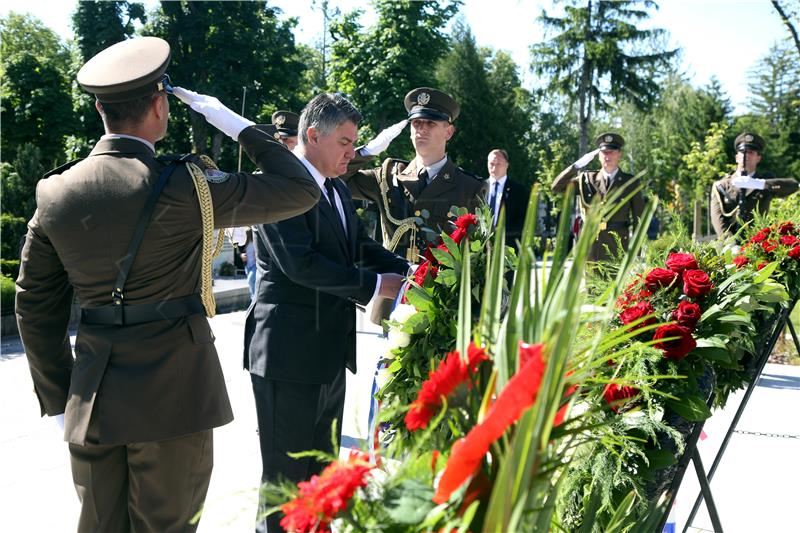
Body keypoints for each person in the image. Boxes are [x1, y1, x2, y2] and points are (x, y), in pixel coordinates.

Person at [15, 37, 319, 533]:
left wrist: (59, 398)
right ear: (160, 105)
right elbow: (301, 188)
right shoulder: (186, 184)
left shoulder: (55, 190)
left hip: (91, 397)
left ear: (99, 108)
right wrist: (236, 124)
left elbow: (34, 305)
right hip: (175, 394)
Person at [241, 93, 411, 533]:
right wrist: (376, 286)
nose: (352, 153)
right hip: (288, 356)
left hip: (328, 354)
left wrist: (408, 269)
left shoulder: (333, 185)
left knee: (319, 479)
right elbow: (300, 264)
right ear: (313, 135)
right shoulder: (277, 184)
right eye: (345, 142)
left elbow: (358, 244)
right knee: (285, 485)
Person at [340, 87, 485, 262]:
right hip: (393, 282)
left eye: (431, 123)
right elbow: (336, 179)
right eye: (416, 123)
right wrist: (366, 152)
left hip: (439, 286)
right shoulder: (388, 176)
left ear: (448, 132)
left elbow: (480, 250)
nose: (422, 129)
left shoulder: (470, 188)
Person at [552, 132, 645, 262]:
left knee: (617, 283)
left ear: (619, 154)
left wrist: (637, 252)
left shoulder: (630, 182)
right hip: (591, 246)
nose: (608, 156)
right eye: (604, 152)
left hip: (618, 246)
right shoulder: (587, 179)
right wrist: (577, 165)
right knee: (592, 283)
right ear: (598, 156)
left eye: (611, 152)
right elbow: (557, 187)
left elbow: (639, 220)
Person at [710, 132, 799, 238]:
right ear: (737, 157)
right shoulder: (722, 186)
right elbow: (717, 218)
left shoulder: (764, 182)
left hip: (757, 245)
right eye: (743, 152)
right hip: (728, 248)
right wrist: (730, 244)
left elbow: (794, 185)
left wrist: (759, 184)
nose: (746, 155)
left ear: (758, 158)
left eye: (751, 152)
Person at [486, 148, 529, 246]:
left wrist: (499, 232)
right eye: (491, 164)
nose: (494, 168)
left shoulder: (519, 191)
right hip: (482, 247)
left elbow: (523, 221)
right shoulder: (479, 188)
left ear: (507, 165)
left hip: (508, 247)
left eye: (498, 164)